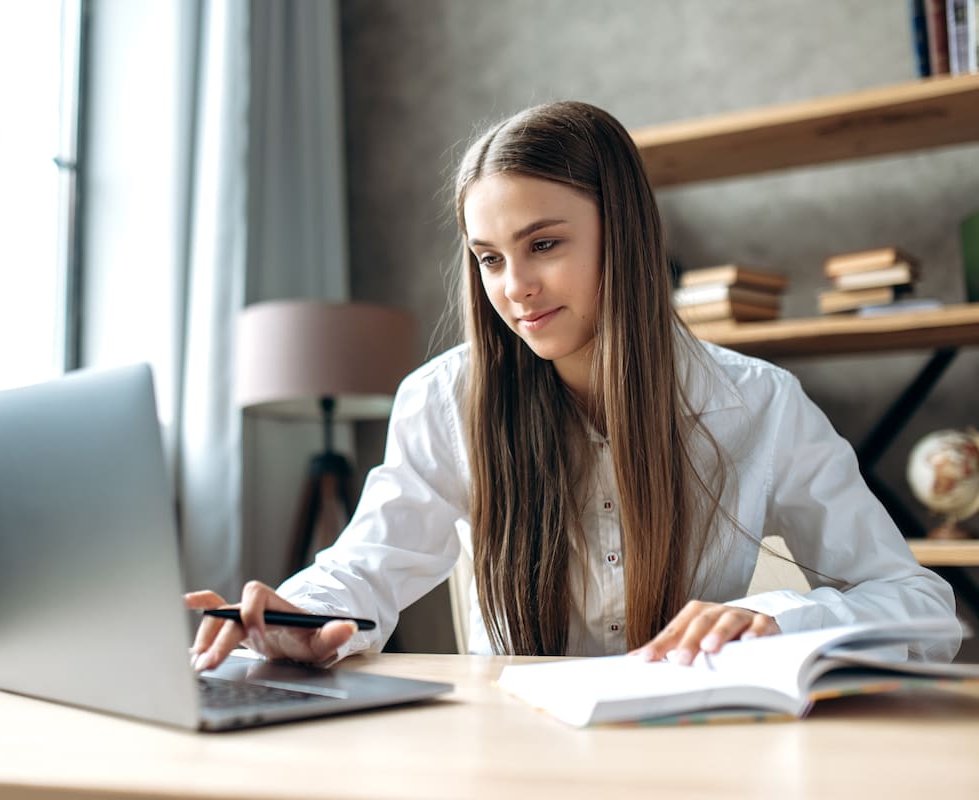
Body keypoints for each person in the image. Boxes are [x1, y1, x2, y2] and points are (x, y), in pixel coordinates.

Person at [186, 101, 961, 672]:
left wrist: (775, 618)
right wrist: (300, 613)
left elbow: (921, 608)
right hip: (516, 760)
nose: (516, 287)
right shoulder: (445, 398)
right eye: (489, 258)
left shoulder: (758, 402)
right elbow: (368, 566)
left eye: (545, 244)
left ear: (621, 232)